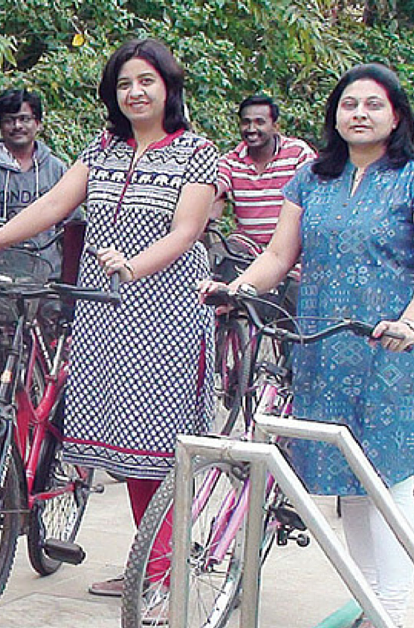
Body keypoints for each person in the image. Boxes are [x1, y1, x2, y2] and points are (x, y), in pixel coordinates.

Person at [0, 38, 217, 604]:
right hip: (103, 313)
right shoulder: (101, 150)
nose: (135, 92)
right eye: (124, 83)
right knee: (129, 446)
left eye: (146, 80)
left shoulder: (196, 151)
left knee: (159, 449)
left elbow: (186, 230)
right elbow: (52, 203)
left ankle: (164, 571)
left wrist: (134, 266)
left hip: (167, 313)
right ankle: (151, 564)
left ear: (168, 86)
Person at [202, 63, 414, 628]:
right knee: (351, 483)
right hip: (320, 347)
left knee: (391, 480)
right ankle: (372, 604)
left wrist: (409, 324)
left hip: (392, 351)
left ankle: (395, 611)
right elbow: (277, 256)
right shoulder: (311, 179)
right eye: (350, 105)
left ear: (395, 115)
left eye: (373, 105)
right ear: (335, 115)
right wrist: (235, 288)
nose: (360, 114)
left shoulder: (411, 177)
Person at [0, 88, 70, 273]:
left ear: (38, 123)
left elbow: (72, 225)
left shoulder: (56, 169)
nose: (17, 126)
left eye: (24, 119)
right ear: (0, 126)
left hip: (48, 276)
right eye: (9, 120)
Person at [211, 94, 316, 247]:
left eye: (260, 122)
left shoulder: (298, 154)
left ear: (275, 126)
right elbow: (214, 188)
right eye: (246, 122)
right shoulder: (231, 161)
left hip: (292, 248)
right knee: (219, 256)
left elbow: (314, 196)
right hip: (247, 247)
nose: (252, 129)